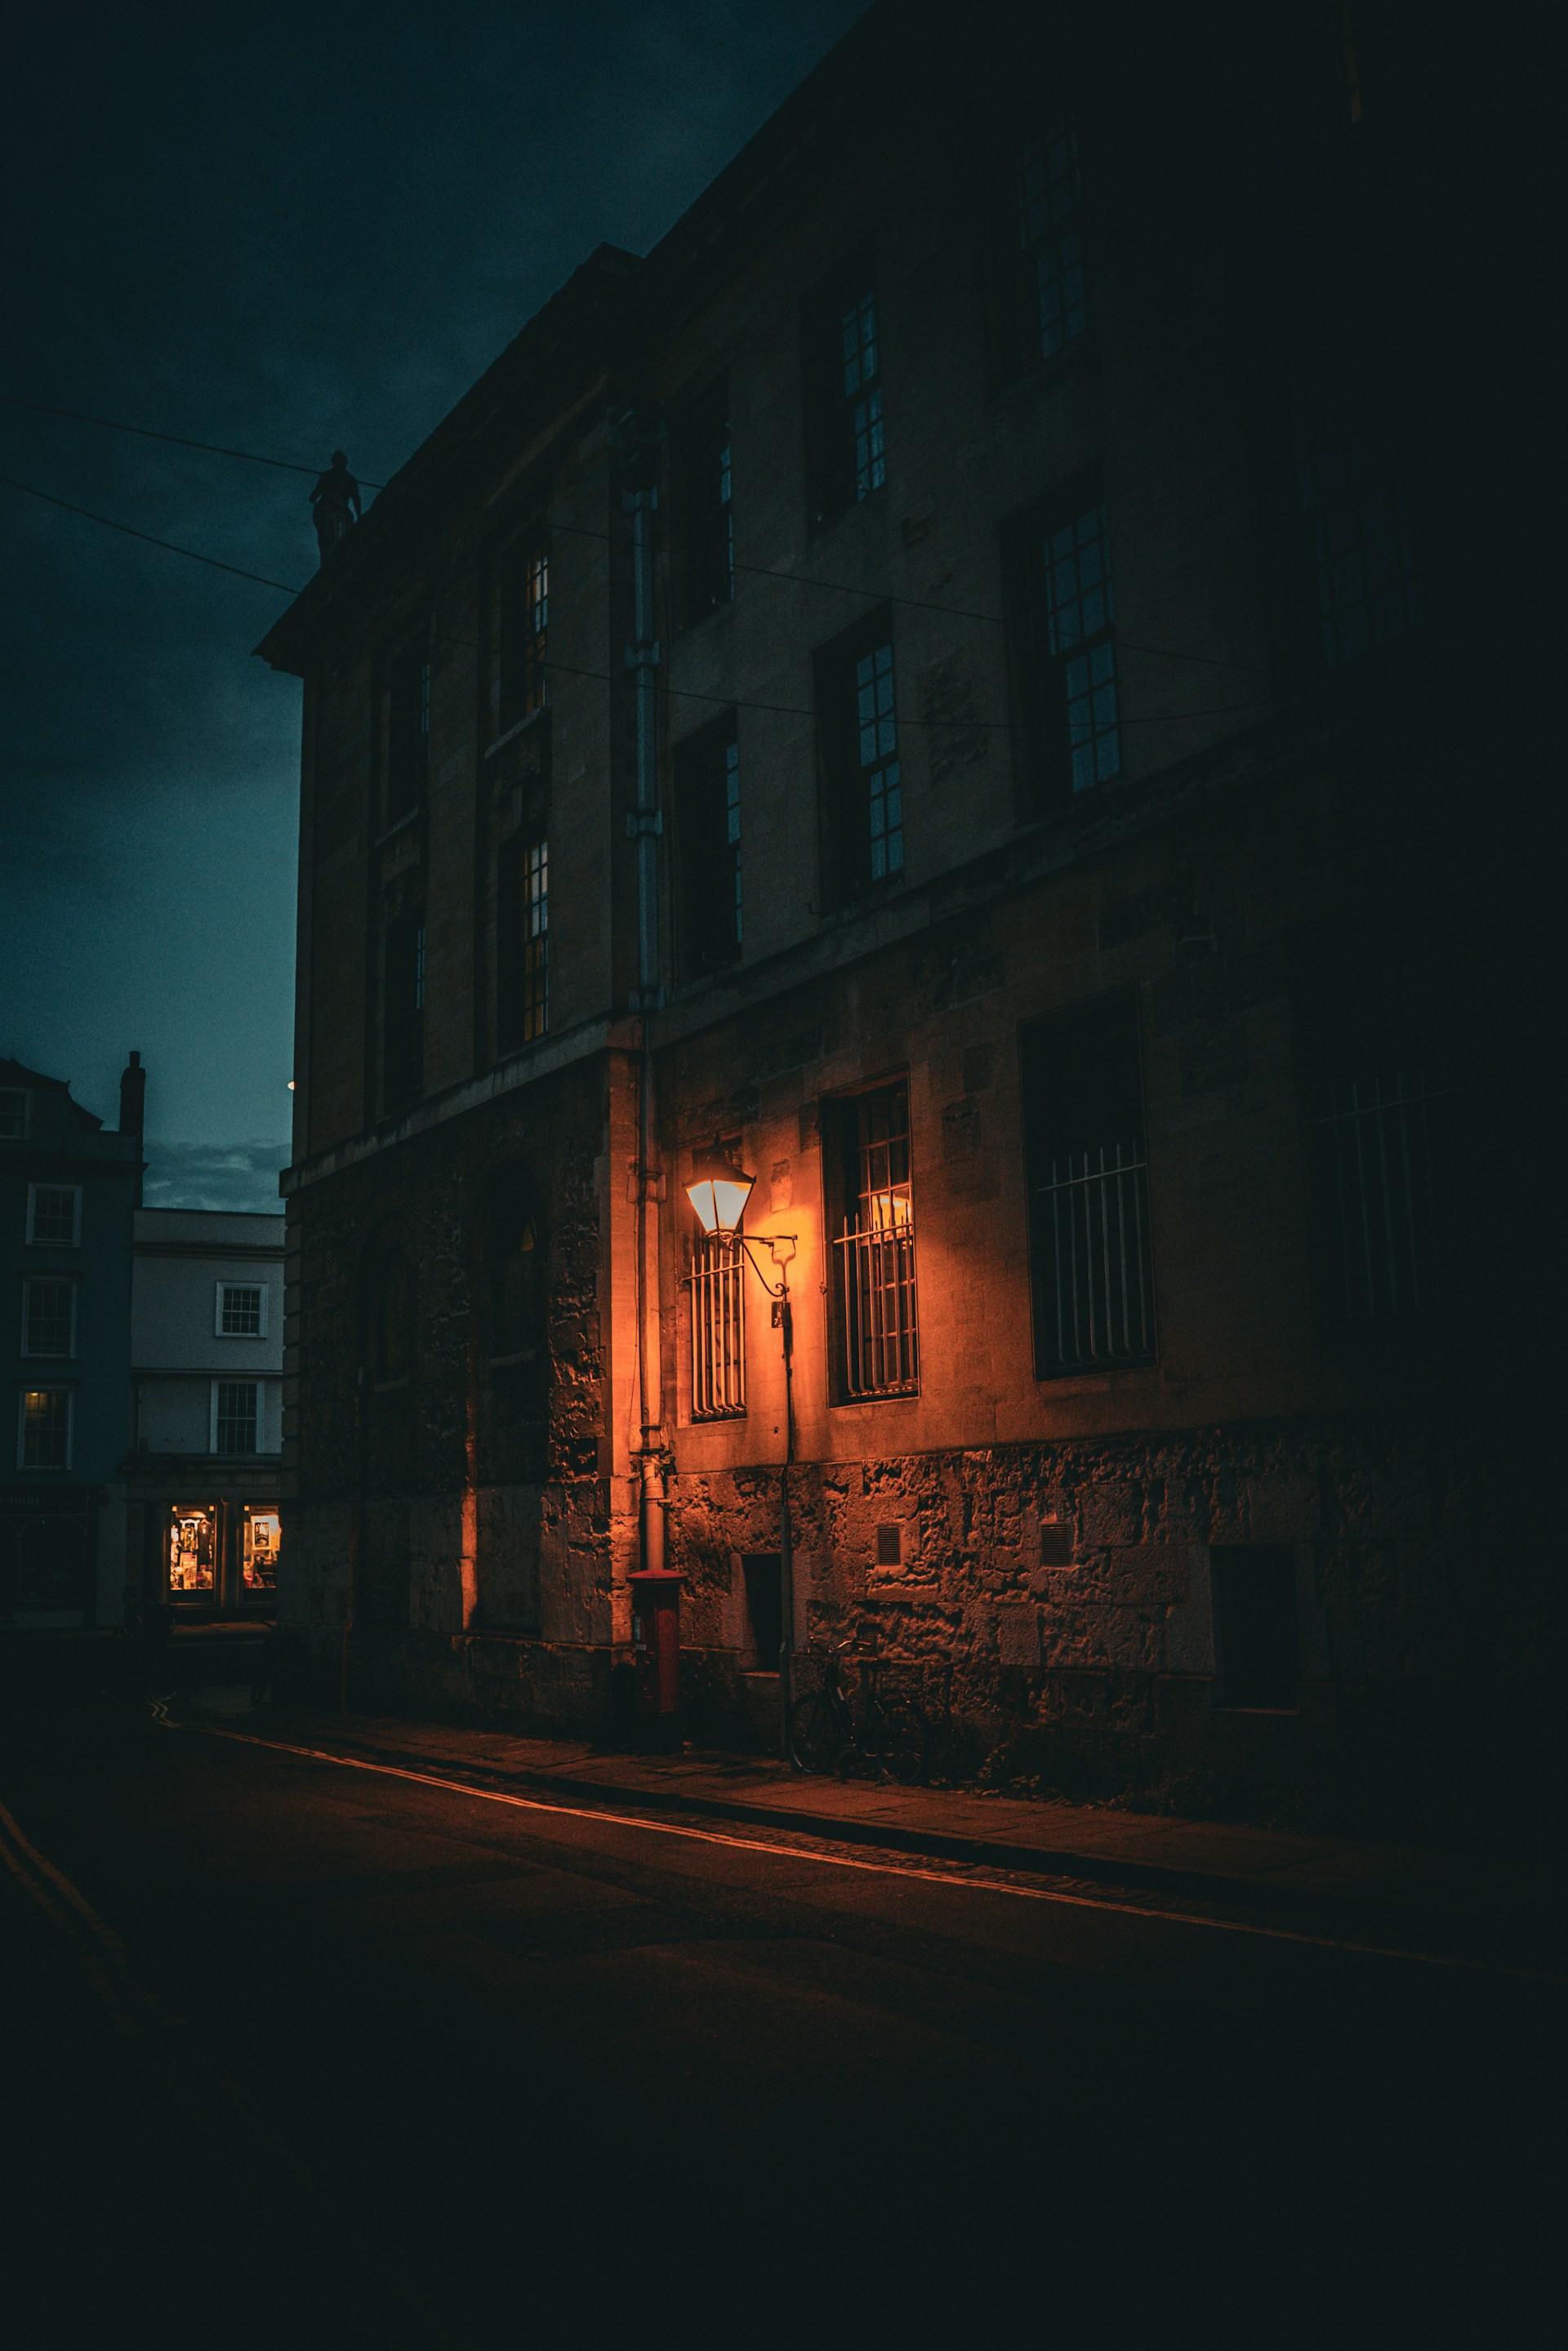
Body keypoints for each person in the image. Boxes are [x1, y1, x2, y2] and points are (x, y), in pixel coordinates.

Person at [310, 450, 361, 563]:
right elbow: (319, 490)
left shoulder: (348, 478)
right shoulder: (331, 476)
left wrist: (360, 516)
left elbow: (356, 498)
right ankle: (331, 558)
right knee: (329, 536)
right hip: (329, 507)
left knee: (337, 537)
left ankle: (337, 557)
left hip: (337, 509)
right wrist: (359, 516)